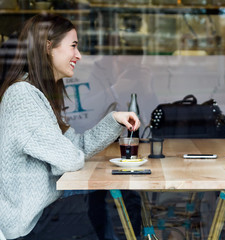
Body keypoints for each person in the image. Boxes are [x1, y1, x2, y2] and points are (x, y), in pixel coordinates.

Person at [0, 13, 140, 239]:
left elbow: (75, 147)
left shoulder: (37, 94)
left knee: (108, 205)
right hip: (30, 224)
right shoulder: (23, 96)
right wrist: (71, 153)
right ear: (48, 47)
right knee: (111, 209)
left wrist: (113, 120)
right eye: (73, 46)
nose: (79, 55)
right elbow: (70, 158)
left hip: (47, 215)